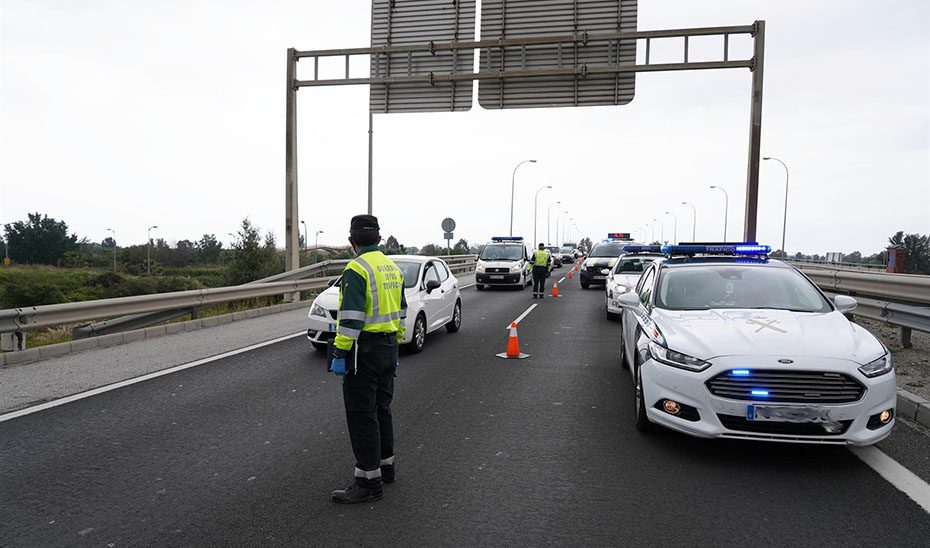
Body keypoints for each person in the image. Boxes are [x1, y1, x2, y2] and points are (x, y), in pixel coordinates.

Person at [329, 214, 407, 504]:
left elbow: (350, 320)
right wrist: (395, 344)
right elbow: (401, 311)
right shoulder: (392, 267)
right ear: (379, 239)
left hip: (364, 351)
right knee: (382, 408)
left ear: (351, 241)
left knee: (362, 415)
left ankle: (368, 481)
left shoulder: (356, 269)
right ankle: (386, 467)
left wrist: (339, 352)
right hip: (388, 347)